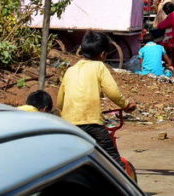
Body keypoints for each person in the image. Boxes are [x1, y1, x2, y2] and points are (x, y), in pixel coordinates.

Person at [57, 32, 136, 165]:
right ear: (103, 54)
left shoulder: (70, 70)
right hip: (92, 123)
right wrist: (126, 105)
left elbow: (60, 101)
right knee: (112, 158)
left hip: (69, 124)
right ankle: (120, 182)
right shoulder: (99, 66)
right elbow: (113, 93)